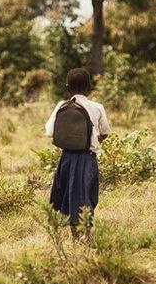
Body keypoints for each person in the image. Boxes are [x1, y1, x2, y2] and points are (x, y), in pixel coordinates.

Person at [44, 68, 110, 237]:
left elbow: (50, 131)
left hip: (66, 158)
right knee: (84, 198)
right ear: (89, 88)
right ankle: (83, 238)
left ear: (67, 88)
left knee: (67, 196)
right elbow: (105, 132)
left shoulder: (61, 106)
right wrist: (93, 140)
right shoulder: (97, 107)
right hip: (87, 158)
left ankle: (74, 236)